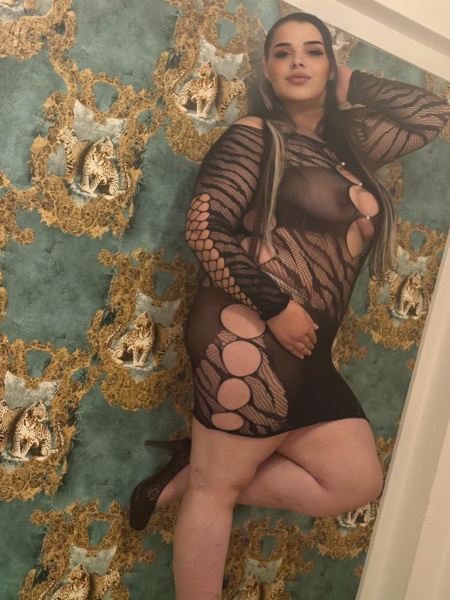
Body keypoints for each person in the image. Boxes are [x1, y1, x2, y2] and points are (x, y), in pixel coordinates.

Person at [129, 12, 450, 599]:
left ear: (330, 64)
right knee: (216, 493)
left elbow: (434, 114)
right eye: (283, 53)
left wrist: (349, 81)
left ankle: (197, 468)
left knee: (356, 480)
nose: (298, 61)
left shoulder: (353, 150)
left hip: (310, 347)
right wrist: (277, 306)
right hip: (251, 326)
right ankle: (205, 477)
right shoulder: (256, 135)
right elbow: (205, 228)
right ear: (267, 70)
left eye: (313, 51)